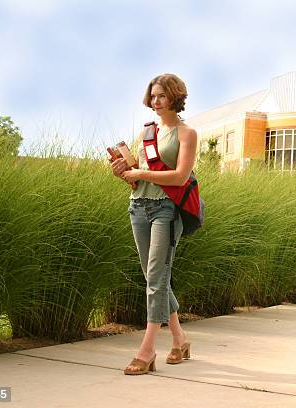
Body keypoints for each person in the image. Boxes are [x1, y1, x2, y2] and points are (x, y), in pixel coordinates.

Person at [111, 73, 197, 375]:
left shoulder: (187, 134)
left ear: (175, 96)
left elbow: (179, 177)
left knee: (157, 277)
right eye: (153, 95)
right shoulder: (146, 132)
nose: (155, 100)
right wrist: (125, 172)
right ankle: (180, 338)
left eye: (161, 95)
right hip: (139, 206)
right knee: (153, 276)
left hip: (166, 209)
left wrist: (141, 175)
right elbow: (137, 179)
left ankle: (147, 350)